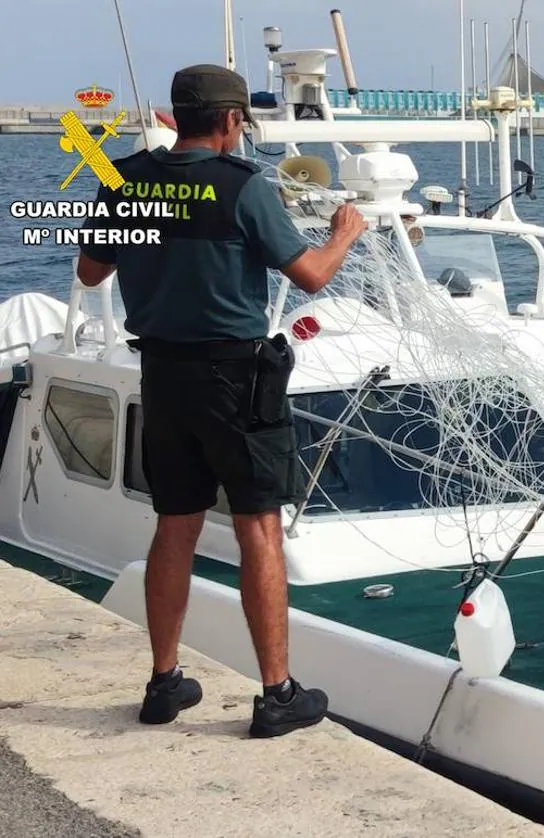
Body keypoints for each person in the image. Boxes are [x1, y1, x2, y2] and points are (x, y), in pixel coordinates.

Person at [75, 64, 368, 736]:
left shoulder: (123, 181)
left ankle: (163, 682)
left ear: (176, 117)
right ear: (234, 122)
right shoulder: (245, 188)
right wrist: (344, 233)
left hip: (163, 377)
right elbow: (313, 277)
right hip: (235, 380)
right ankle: (276, 694)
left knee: (175, 524)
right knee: (257, 526)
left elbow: (92, 270)